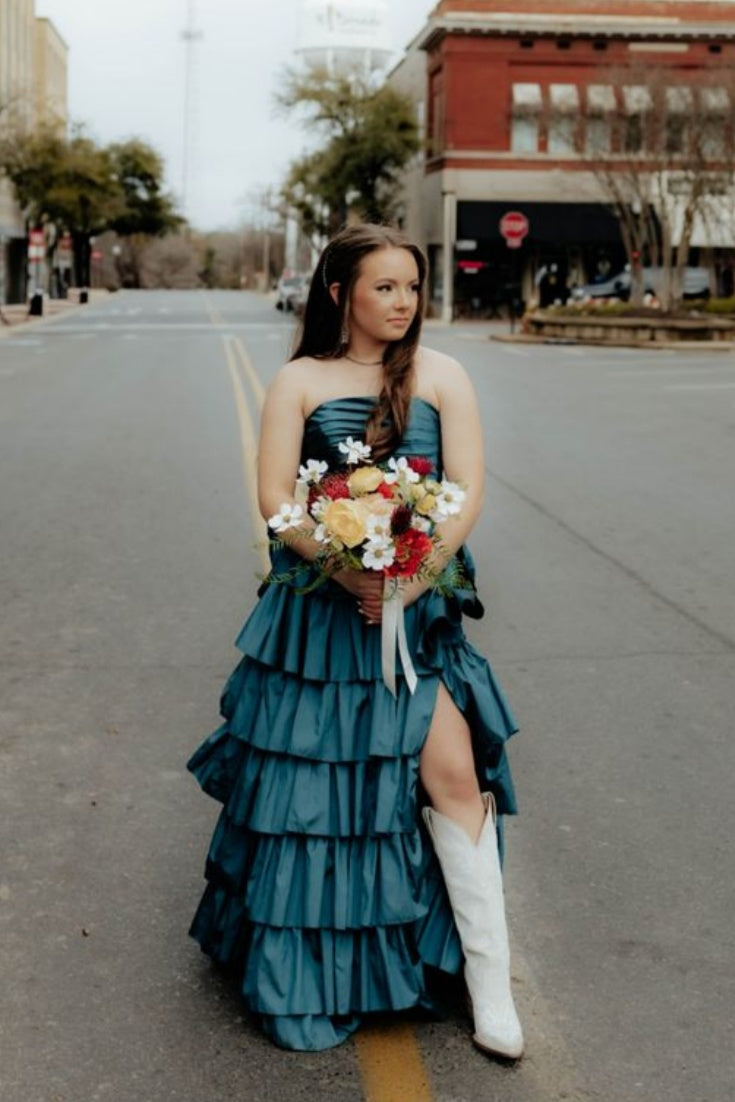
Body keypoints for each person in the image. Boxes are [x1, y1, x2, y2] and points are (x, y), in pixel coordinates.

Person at [186, 223, 523, 1058]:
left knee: (449, 772)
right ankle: (318, 967)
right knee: (316, 795)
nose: (402, 303)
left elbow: (468, 490)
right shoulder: (299, 380)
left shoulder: (444, 376)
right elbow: (275, 498)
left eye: (411, 286)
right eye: (383, 287)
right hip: (322, 614)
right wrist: (348, 572)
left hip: (420, 610)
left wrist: (409, 580)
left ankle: (491, 987)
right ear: (340, 292)